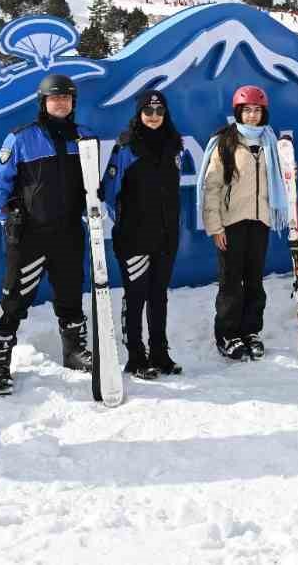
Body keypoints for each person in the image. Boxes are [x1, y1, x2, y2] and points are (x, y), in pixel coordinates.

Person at [0, 73, 93, 396]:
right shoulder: (21, 139)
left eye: (66, 98)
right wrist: (7, 217)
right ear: (43, 103)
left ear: (73, 103)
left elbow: (92, 184)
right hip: (31, 235)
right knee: (15, 298)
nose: (61, 103)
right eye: (54, 98)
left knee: (71, 296)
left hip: (70, 233)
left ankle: (74, 352)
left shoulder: (84, 138)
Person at [200, 85, 292, 362]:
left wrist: (289, 172)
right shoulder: (225, 142)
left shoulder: (270, 142)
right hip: (231, 223)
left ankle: (251, 330)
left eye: (257, 111)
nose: (252, 116)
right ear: (238, 112)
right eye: (247, 110)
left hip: (260, 221)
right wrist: (215, 227)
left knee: (254, 280)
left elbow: (279, 178)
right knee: (230, 282)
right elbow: (211, 186)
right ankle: (227, 334)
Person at [100, 89, 183, 379]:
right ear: (139, 114)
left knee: (159, 295)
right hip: (134, 237)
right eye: (148, 112)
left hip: (166, 235)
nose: (154, 117)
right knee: (136, 296)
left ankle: (160, 353)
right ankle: (136, 357)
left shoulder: (175, 145)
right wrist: (126, 222)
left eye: (160, 112)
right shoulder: (126, 147)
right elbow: (108, 192)